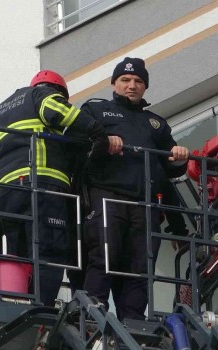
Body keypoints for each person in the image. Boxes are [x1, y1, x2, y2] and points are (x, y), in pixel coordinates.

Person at [0, 70, 110, 307]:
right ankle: (42, 310)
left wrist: (1, 174)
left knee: (19, 256)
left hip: (8, 195)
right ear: (57, 91)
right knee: (49, 253)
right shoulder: (42, 95)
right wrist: (97, 132)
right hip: (44, 188)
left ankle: (21, 304)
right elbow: (57, 111)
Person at [80, 57, 189, 320]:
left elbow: (168, 171)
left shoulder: (156, 123)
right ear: (114, 83)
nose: (132, 86)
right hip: (107, 195)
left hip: (145, 203)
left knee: (141, 268)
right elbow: (76, 147)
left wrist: (179, 157)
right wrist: (102, 142)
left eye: (138, 81)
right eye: (125, 80)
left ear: (145, 87)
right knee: (105, 257)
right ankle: (93, 317)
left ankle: (133, 323)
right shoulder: (96, 111)